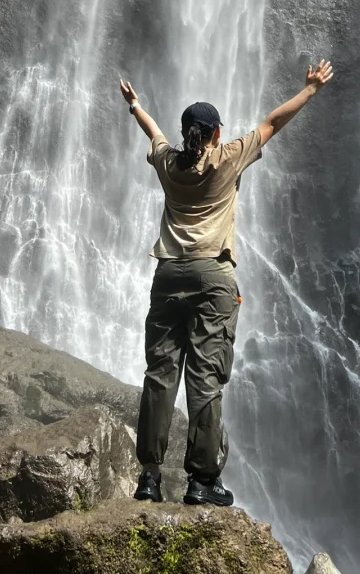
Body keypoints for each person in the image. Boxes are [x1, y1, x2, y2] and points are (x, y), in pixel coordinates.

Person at [118, 60, 335, 507]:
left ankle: (149, 477)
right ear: (216, 133)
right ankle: (201, 481)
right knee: (206, 378)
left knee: (160, 375)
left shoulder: (167, 163)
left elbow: (151, 131)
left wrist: (135, 105)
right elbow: (274, 121)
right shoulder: (230, 156)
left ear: (185, 133)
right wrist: (310, 90)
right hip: (214, 277)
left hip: (169, 273)